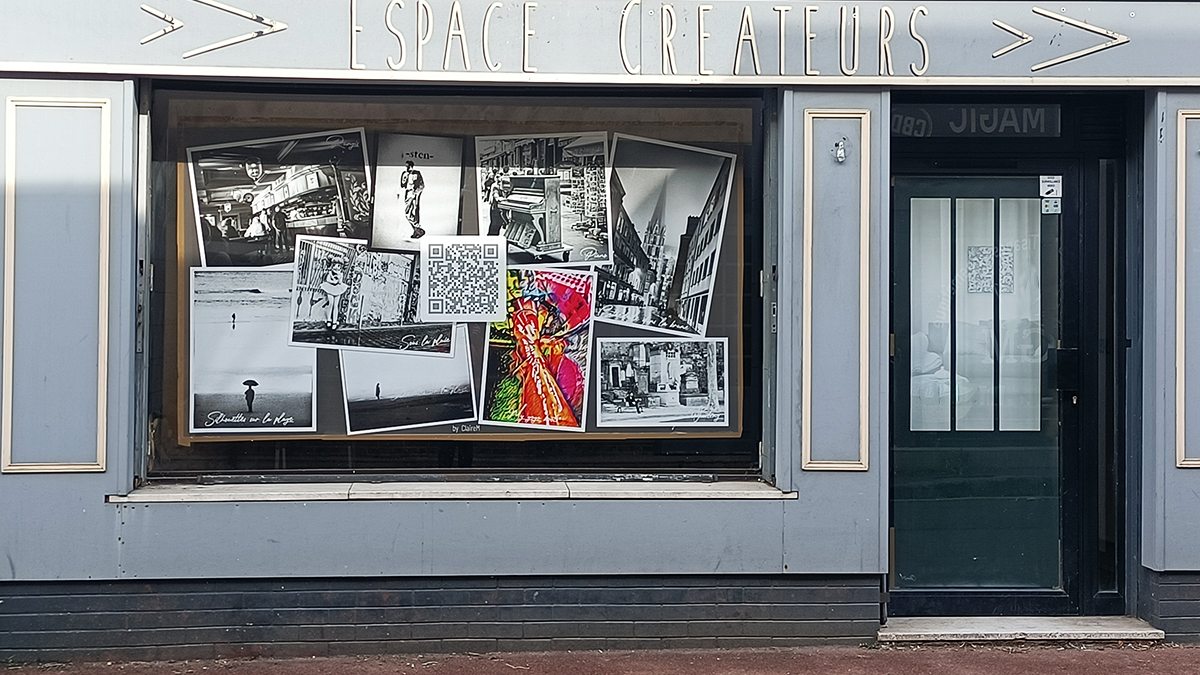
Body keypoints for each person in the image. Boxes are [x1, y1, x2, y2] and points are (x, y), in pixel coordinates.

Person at [399, 160, 425, 239]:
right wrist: (404, 178)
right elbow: (402, 185)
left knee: (411, 212)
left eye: (408, 166)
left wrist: (416, 193)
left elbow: (422, 185)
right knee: (408, 213)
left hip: (413, 193)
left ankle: (418, 229)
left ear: (411, 166)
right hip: (408, 193)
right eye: (405, 166)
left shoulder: (417, 173)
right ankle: (417, 230)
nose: (406, 168)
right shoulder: (404, 173)